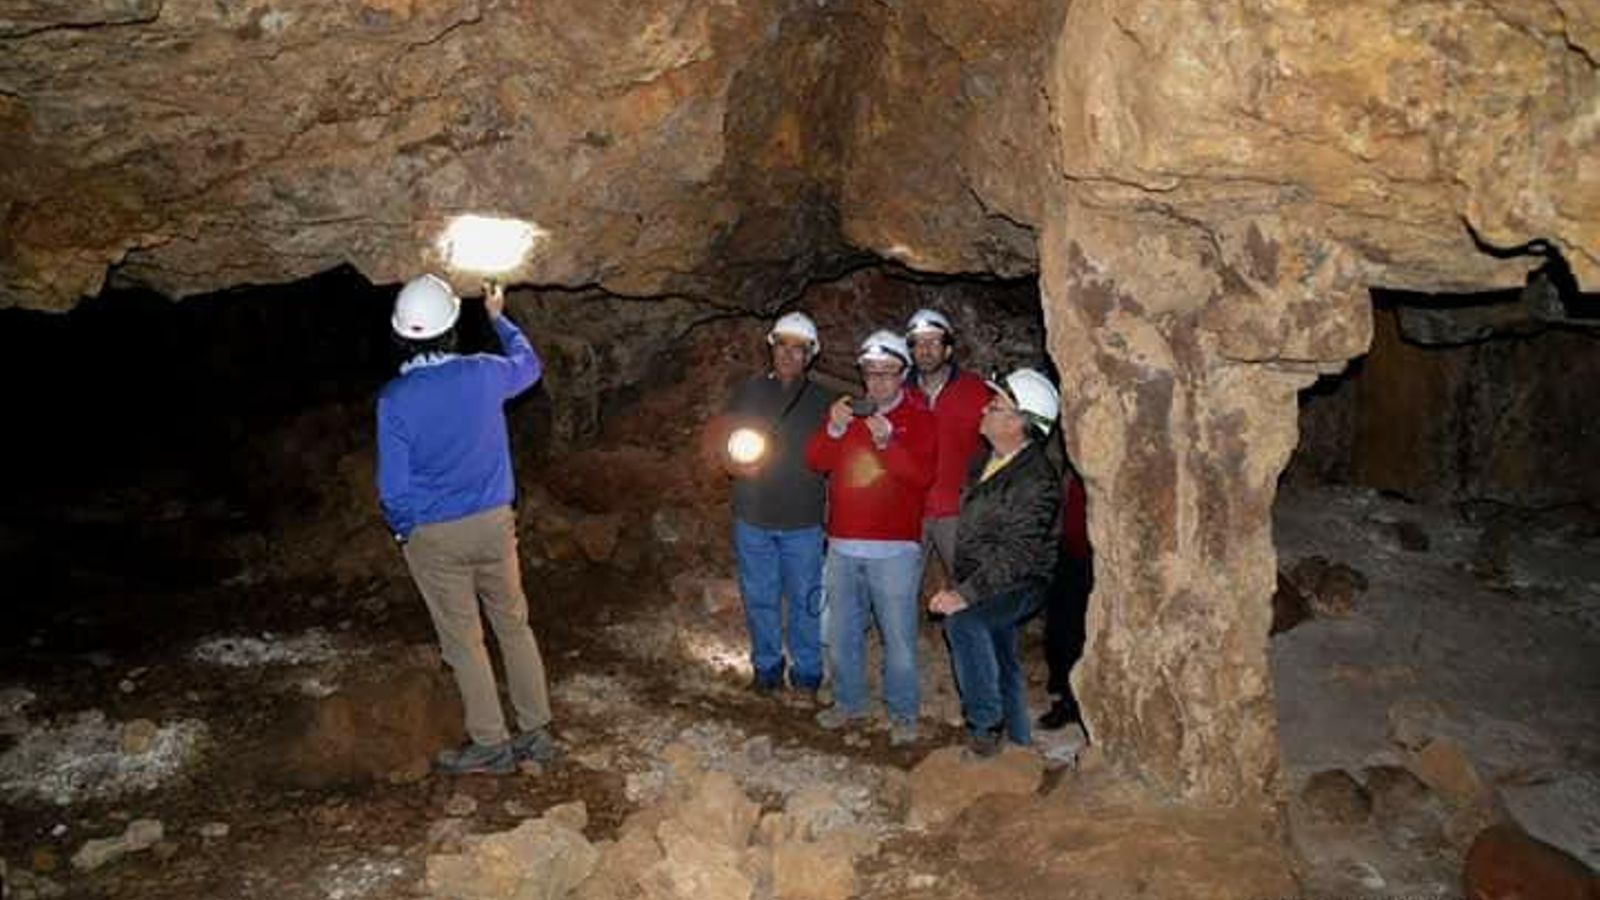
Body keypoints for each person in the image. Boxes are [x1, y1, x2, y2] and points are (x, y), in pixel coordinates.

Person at [376, 274, 556, 776]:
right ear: (453, 326)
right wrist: (499, 320)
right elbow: (530, 366)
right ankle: (536, 731)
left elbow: (394, 488)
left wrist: (403, 529)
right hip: (494, 524)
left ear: (401, 334)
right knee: (513, 625)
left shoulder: (395, 400)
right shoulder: (482, 372)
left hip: (436, 535)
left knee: (464, 641)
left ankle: (491, 743)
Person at [806, 330, 937, 746]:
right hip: (843, 545)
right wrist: (833, 428)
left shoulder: (921, 419)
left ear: (904, 374)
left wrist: (887, 442)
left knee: (898, 638)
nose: (878, 382)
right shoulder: (850, 415)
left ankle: (902, 713)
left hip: (894, 551)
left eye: (887, 373)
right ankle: (849, 703)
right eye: (870, 372)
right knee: (844, 633)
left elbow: (921, 478)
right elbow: (815, 460)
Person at [927, 368, 1062, 758]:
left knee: (966, 624)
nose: (986, 407)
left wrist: (964, 595)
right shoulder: (987, 460)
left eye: (997, 404)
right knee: (1000, 650)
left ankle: (985, 728)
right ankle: (1018, 744)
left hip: (1023, 580)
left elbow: (1017, 554)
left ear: (1018, 423)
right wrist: (963, 584)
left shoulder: (1036, 479)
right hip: (987, 576)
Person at [723, 311, 836, 697]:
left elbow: (837, 458)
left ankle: (807, 673)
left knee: (806, 601)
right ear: (772, 348)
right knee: (759, 597)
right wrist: (735, 458)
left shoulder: (824, 402)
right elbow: (723, 444)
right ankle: (767, 667)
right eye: (782, 346)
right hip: (753, 517)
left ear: (810, 355)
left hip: (803, 521)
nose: (788, 355)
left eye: (798, 349)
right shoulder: (747, 392)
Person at [903, 309, 993, 582]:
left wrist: (979, 492)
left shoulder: (975, 391)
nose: (926, 350)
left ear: (948, 348)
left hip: (956, 512)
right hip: (910, 512)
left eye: (934, 342)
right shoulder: (899, 392)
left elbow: (999, 444)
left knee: (968, 590)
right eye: (919, 342)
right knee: (899, 591)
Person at [1038, 463, 1093, 730]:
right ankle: (1062, 690)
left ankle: (1073, 700)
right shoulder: (1071, 469)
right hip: (1068, 551)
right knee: (1060, 628)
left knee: (1076, 630)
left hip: (1092, 556)